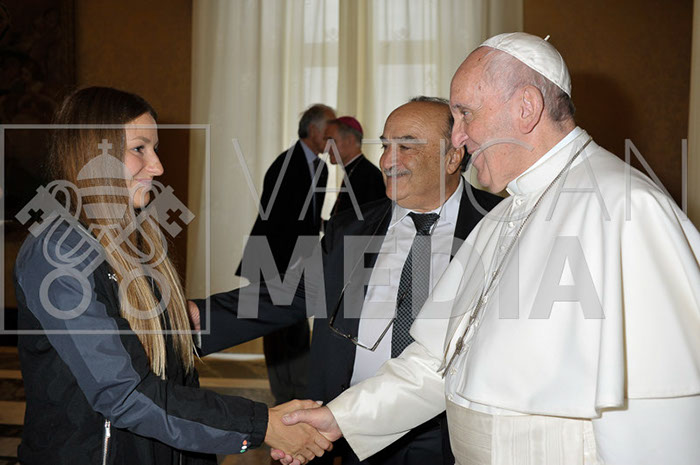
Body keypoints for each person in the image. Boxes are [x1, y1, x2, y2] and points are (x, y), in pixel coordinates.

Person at [280, 33, 700, 465]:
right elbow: (436, 364)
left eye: (465, 114)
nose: (458, 138)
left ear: (526, 107)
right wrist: (339, 418)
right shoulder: (502, 217)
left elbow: (660, 417)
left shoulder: (625, 208)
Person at [13, 87, 331, 465]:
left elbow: (177, 330)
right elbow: (126, 394)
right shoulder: (58, 253)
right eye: (139, 148)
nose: (158, 167)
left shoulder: (134, 238)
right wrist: (262, 425)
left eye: (155, 148)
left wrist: (318, 290)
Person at [189, 96, 502, 465]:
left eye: (406, 146)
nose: (387, 161)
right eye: (385, 146)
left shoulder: (498, 226)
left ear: (453, 157)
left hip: (451, 433)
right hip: (356, 430)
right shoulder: (352, 227)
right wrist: (192, 319)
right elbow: (291, 293)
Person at [236, 103, 336, 407]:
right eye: (329, 128)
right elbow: (275, 218)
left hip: (298, 258)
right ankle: (283, 395)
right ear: (314, 130)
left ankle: (299, 392)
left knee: (295, 327)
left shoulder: (321, 169)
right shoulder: (285, 163)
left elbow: (309, 218)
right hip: (273, 257)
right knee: (276, 329)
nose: (333, 135)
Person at [323, 116, 386, 218]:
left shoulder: (370, 177)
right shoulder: (353, 170)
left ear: (350, 140)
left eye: (331, 141)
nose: (326, 148)